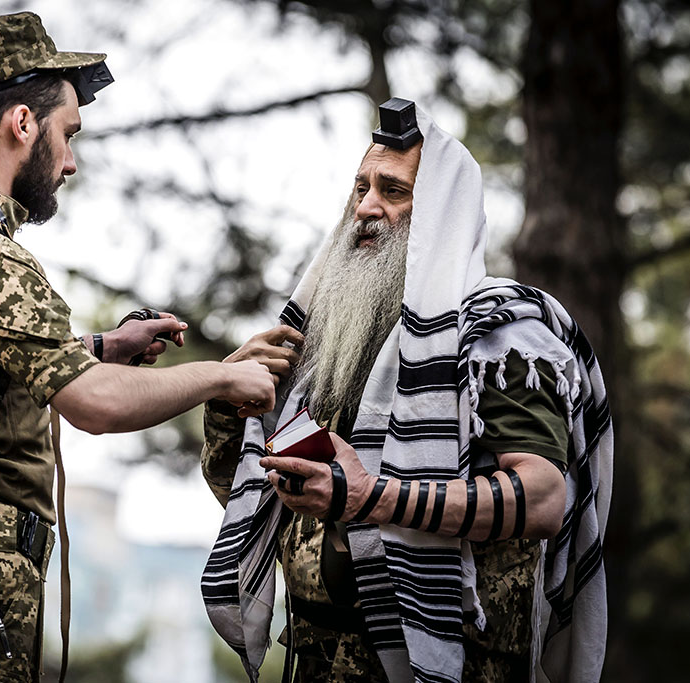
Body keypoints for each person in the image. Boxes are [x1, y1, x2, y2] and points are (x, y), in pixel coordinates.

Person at [0, 12, 276, 683]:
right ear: (22, 123)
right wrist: (221, 379)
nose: (72, 161)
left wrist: (101, 345)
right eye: (68, 134)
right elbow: (96, 405)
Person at [200, 103, 612, 683]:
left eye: (393, 191)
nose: (366, 207)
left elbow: (543, 500)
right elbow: (259, 500)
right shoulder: (333, 341)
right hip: (320, 658)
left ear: (441, 214)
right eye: (361, 188)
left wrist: (372, 498)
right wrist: (228, 403)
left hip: (458, 664)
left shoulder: (500, 337)